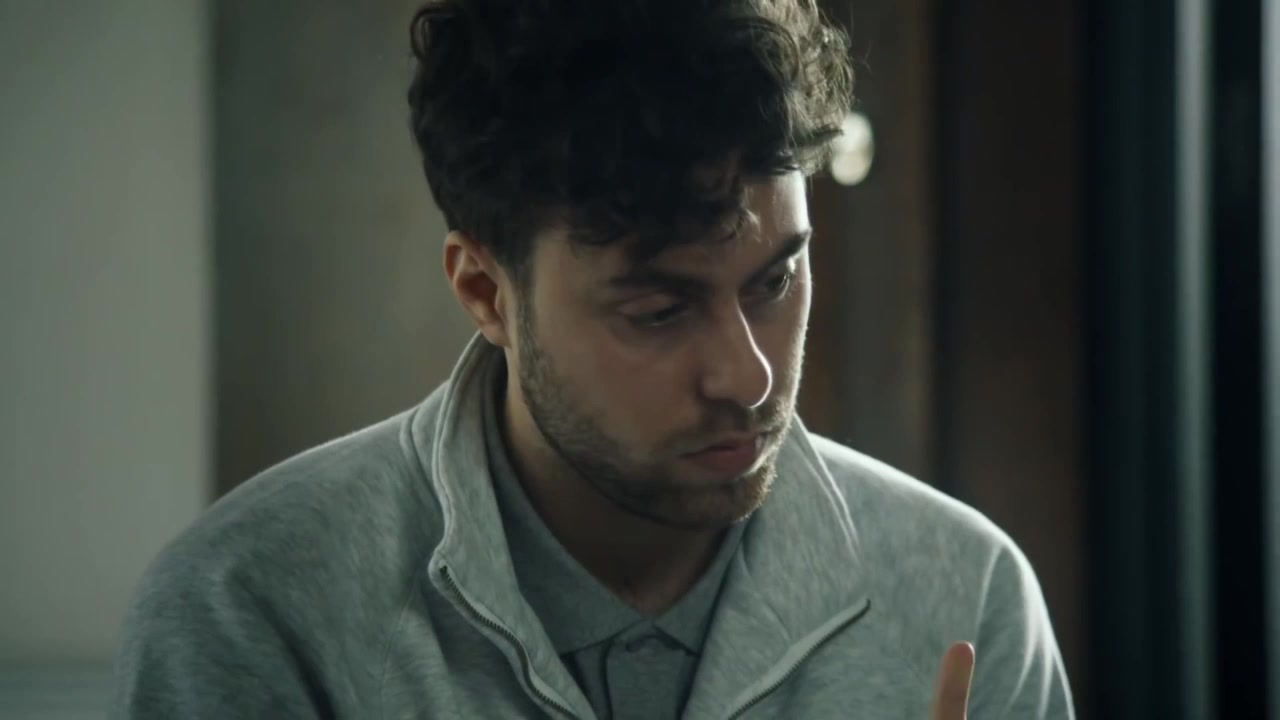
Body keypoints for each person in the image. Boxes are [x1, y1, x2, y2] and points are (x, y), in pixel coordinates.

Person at [110, 0, 1075, 717]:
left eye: (775, 279)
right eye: (659, 310)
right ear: (486, 292)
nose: (748, 377)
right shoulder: (252, 613)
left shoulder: (964, 596)